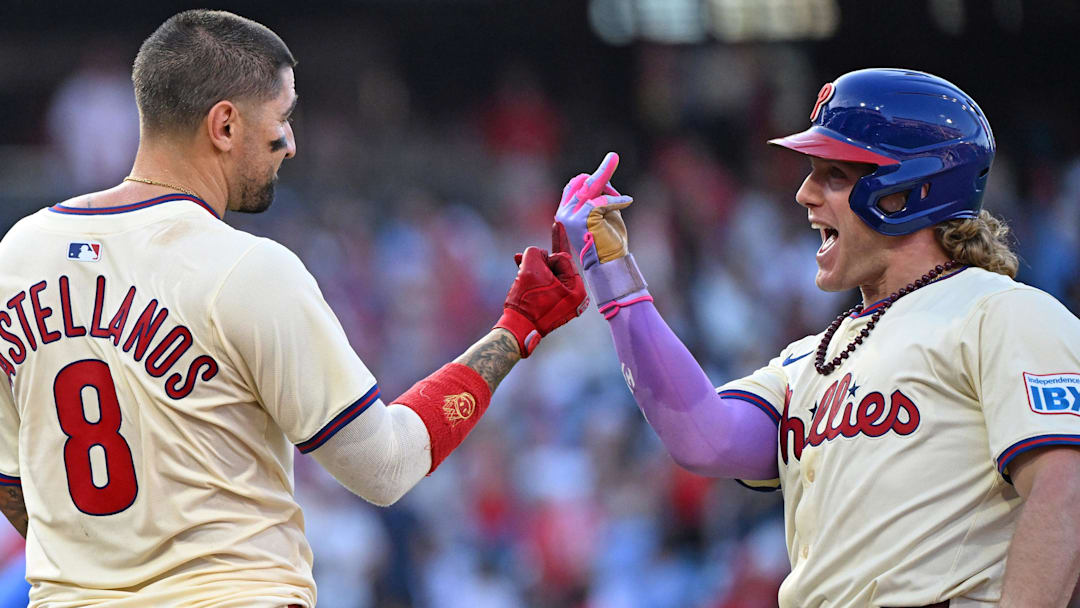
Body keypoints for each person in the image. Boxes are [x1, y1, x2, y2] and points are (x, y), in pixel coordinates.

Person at [0, 10, 588, 608]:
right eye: (280, 119)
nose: (291, 143)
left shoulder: (18, 254)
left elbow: (11, 483)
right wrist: (517, 329)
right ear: (224, 125)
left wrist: (111, 567)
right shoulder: (248, 268)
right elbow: (385, 468)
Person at [556, 69, 1080, 607]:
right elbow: (702, 436)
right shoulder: (809, 358)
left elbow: (1065, 489)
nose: (804, 194)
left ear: (909, 190)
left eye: (833, 175)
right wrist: (613, 274)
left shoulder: (1003, 314)